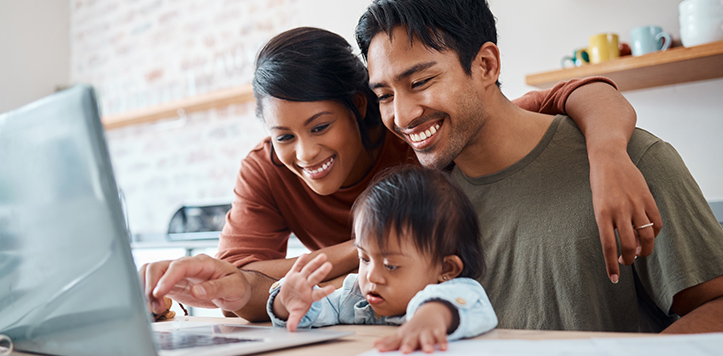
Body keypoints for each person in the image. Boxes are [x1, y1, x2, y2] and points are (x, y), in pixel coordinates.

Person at [140, 26, 658, 322]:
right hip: (360, 316)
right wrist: (215, 288)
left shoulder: (421, 136)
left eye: (320, 126)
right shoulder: (267, 167)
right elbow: (243, 284)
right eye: (284, 135)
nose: (304, 151)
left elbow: (574, 92)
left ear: (361, 108)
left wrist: (609, 153)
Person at [355, 0, 723, 333]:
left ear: (486, 65)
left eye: (420, 82)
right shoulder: (428, 204)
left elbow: (716, 308)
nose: (401, 116)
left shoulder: (631, 161)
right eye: (385, 96)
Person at [268, 166, 497, 354]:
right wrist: (287, 304)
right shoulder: (356, 296)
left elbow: (465, 307)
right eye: (364, 258)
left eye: (391, 265)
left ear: (446, 268)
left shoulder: (457, 293)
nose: (371, 275)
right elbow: (316, 311)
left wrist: (431, 317)